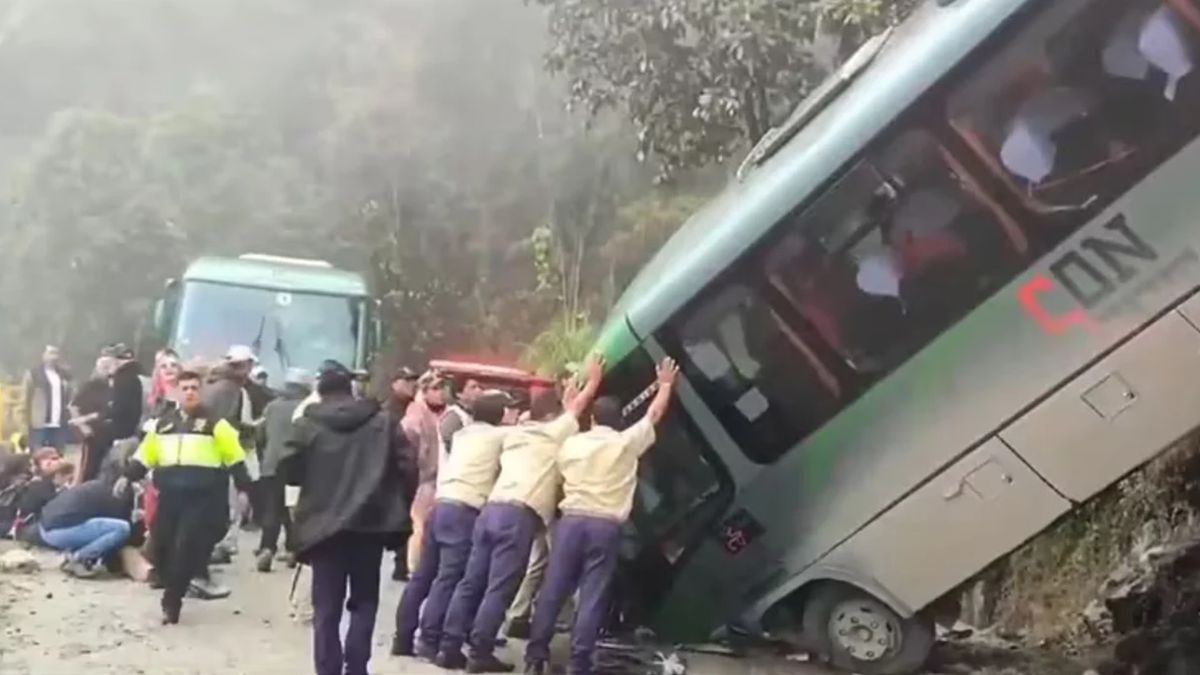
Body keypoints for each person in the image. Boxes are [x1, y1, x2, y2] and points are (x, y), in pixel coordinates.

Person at [436, 358, 604, 673]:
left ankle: (449, 646)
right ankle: (480, 652)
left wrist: (566, 394)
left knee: (471, 582)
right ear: (553, 418)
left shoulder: (513, 434)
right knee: (500, 587)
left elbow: (566, 409)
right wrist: (592, 382)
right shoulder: (551, 435)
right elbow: (576, 409)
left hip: (490, 511)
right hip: (517, 517)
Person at [524, 359, 679, 675]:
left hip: (570, 523)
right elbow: (654, 415)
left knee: (554, 589)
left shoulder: (571, 444)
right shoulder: (625, 443)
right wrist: (664, 385)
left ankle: (534, 657)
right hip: (605, 527)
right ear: (618, 421)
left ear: (592, 420)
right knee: (593, 594)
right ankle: (579, 664)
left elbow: (569, 418)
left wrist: (578, 393)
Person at [281, 360, 414, 675]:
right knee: (364, 601)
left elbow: (288, 469)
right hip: (371, 524)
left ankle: (327, 669)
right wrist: (395, 503)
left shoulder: (306, 425)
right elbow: (408, 468)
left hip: (323, 528)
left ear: (319, 391)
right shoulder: (383, 422)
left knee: (326, 608)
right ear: (351, 388)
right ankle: (357, 667)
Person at [119, 370, 253, 624]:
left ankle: (173, 600)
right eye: (185, 388)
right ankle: (172, 585)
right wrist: (127, 476)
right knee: (164, 544)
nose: (190, 392)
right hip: (170, 496)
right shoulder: (163, 425)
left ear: (200, 392)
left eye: (194, 388)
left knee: (185, 546)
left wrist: (246, 491)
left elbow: (236, 459)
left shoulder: (216, 424)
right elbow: (145, 456)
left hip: (203, 497)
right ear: (177, 393)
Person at [393, 390, 514, 660]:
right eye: (508, 409)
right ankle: (430, 639)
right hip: (464, 511)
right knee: (449, 578)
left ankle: (402, 638)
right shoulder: (501, 437)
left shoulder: (463, 434)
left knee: (423, 575)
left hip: (442, 505)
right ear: (500, 414)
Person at [204, 345, 263, 560]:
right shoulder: (235, 391)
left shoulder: (209, 385)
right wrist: (257, 427)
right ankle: (223, 544)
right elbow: (234, 425)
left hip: (208, 452)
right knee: (234, 501)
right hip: (229, 452)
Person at [254, 367, 311, 572]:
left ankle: (267, 547)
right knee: (294, 509)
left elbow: (259, 435)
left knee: (272, 509)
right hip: (297, 467)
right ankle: (293, 549)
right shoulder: (307, 408)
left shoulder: (272, 407)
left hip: (271, 465)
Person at [39, 461, 134, 578]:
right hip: (59, 531)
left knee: (94, 526)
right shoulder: (114, 495)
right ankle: (79, 558)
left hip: (45, 528)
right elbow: (114, 536)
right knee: (122, 528)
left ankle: (71, 556)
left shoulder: (93, 486)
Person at [406, 371, 447, 576]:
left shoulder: (445, 413)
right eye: (435, 388)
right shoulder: (416, 413)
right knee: (419, 525)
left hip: (441, 478)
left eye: (442, 388)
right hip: (424, 479)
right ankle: (414, 567)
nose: (441, 393)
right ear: (424, 391)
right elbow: (410, 440)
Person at [388, 367, 421, 581]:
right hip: (395, 470)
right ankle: (400, 562)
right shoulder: (389, 411)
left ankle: (402, 563)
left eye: (413, 381)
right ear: (394, 383)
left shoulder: (416, 407)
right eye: (406, 381)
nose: (411, 385)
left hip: (411, 469)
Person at [13, 449, 72, 544]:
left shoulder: (53, 485)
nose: (56, 462)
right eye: (50, 461)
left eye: (57, 458)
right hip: (31, 528)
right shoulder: (37, 485)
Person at [22, 345, 73, 452]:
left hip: (59, 423)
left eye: (56, 353)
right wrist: (24, 424)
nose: (53, 357)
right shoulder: (33, 374)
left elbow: (70, 397)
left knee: (57, 458)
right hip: (39, 424)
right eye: (50, 353)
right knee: (39, 457)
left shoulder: (63, 375)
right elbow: (25, 401)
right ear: (43, 355)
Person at [441, 377, 484, 456]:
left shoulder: (474, 414)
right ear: (459, 394)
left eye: (480, 387)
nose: (479, 391)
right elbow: (448, 440)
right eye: (473, 387)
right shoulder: (454, 415)